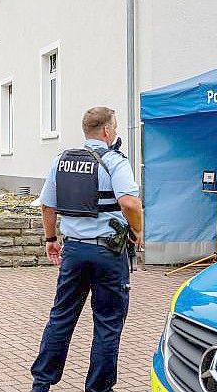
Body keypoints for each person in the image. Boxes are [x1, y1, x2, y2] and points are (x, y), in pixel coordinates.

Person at [30, 107, 144, 392]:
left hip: (74, 251)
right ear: (106, 131)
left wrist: (50, 240)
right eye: (115, 127)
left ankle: (42, 382)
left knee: (61, 316)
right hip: (108, 254)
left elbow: (47, 205)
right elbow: (130, 203)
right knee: (107, 323)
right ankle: (98, 388)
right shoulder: (115, 161)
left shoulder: (61, 161)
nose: (115, 132)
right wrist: (138, 231)